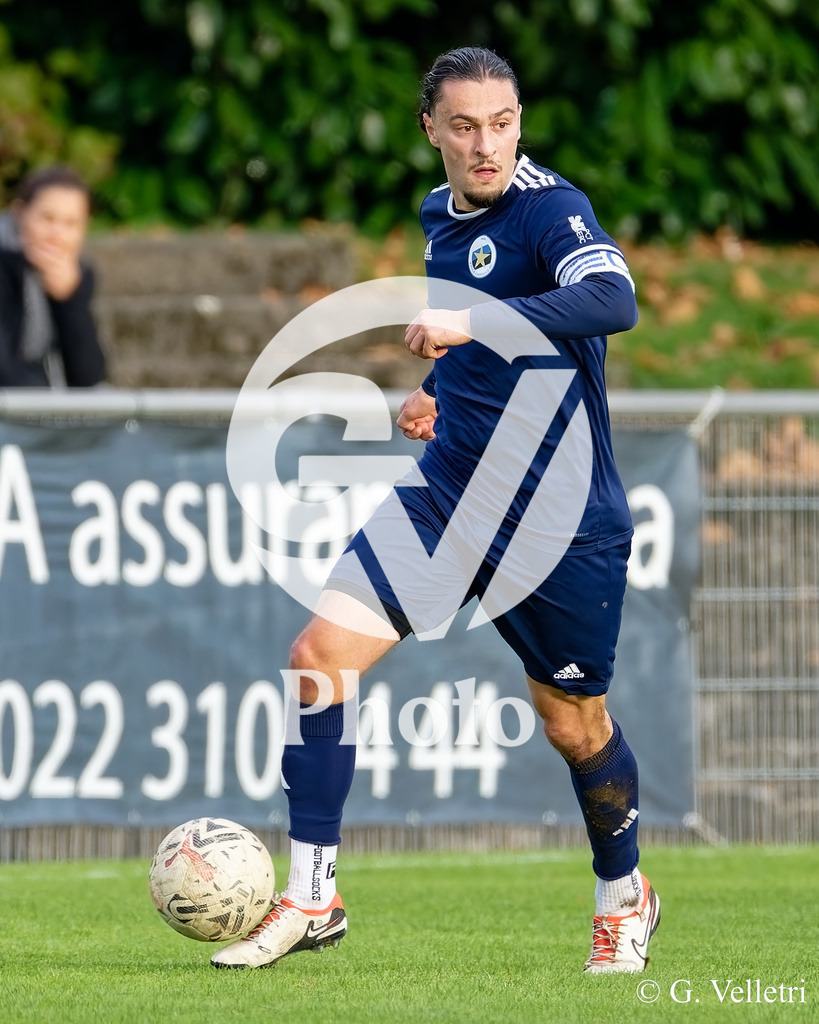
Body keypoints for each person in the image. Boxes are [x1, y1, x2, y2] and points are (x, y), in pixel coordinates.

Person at [212, 46, 660, 974]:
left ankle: (624, 894)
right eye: (463, 126)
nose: (485, 144)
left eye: (501, 123)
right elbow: (472, 323)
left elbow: (612, 299)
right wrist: (437, 385)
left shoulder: (550, 207)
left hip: (559, 517)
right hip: (451, 492)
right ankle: (313, 895)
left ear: (520, 121)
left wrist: (472, 326)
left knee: (574, 727)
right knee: (316, 661)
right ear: (431, 129)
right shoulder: (439, 217)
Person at [0, 165, 106, 387]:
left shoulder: (78, 275)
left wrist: (69, 302)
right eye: (47, 218)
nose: (57, 234)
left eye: (71, 223)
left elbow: (88, 377)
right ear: (20, 214)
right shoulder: (5, 261)